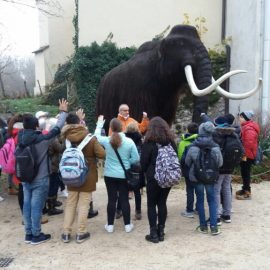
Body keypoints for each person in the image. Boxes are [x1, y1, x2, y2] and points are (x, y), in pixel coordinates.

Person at [19, 99, 68, 245]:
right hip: (40, 178)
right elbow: (57, 128)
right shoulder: (42, 139)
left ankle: (28, 234)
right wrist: (63, 112)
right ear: (36, 126)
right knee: (36, 206)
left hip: (25, 176)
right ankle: (36, 234)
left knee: (27, 205)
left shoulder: (19, 138)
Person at [61, 112, 105, 243]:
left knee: (70, 203)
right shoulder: (90, 138)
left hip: (70, 174)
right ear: (80, 123)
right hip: (87, 174)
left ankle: (66, 233)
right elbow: (102, 154)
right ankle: (81, 232)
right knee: (84, 204)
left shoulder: (65, 138)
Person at [94, 116, 139, 233]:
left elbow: (96, 136)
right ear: (122, 127)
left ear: (111, 128)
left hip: (109, 174)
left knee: (111, 199)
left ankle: (110, 225)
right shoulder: (129, 142)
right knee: (124, 199)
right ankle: (128, 225)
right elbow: (136, 158)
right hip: (124, 175)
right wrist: (127, 163)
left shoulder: (107, 140)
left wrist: (99, 123)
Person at [140, 116, 176, 243]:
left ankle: (153, 233)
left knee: (151, 204)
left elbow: (143, 163)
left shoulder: (148, 143)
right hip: (167, 177)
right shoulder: (171, 141)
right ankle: (161, 231)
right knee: (162, 203)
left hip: (153, 177)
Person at [185, 121, 223, 235]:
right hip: (211, 178)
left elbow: (187, 162)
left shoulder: (193, 147)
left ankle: (203, 226)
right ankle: (214, 227)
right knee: (212, 201)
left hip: (197, 178)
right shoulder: (216, 147)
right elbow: (220, 163)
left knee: (200, 201)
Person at [212, 115, 244, 224]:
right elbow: (241, 150)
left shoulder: (217, 135)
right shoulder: (234, 134)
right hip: (230, 167)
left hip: (220, 168)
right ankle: (227, 214)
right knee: (226, 189)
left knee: (216, 190)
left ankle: (216, 216)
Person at [236, 111, 260, 200]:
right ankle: (245, 188)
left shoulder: (249, 128)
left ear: (246, 118)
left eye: (241, 117)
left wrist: (243, 154)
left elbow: (249, 143)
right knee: (244, 172)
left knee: (246, 173)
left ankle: (247, 192)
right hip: (246, 154)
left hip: (247, 155)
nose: (240, 119)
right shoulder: (246, 127)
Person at [178, 122, 198, 218]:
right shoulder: (200, 140)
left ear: (188, 130)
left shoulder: (182, 142)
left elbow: (180, 157)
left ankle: (189, 210)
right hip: (199, 169)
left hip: (187, 170)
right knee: (199, 189)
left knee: (189, 189)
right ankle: (198, 208)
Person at [125, 121, 144, 220]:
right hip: (137, 167)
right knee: (137, 191)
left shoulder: (123, 139)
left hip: (125, 167)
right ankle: (138, 211)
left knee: (123, 190)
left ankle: (119, 210)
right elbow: (141, 153)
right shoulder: (140, 139)